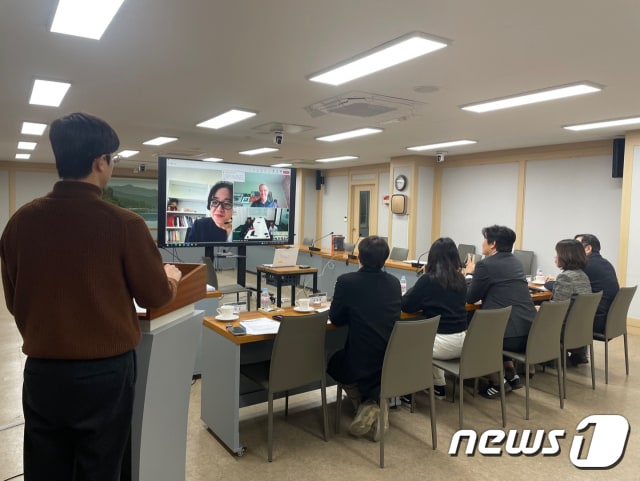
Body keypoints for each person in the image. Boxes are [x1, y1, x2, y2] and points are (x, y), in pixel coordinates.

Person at [0, 112, 182, 481]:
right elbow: (155, 295)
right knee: (101, 468)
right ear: (101, 161)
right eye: (113, 159)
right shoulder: (124, 224)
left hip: (42, 373)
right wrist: (171, 278)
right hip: (105, 375)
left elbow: (14, 301)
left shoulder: (20, 222)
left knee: (45, 468)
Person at [327, 235, 402, 442]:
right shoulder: (395, 283)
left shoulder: (347, 281)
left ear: (358, 256)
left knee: (333, 361)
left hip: (359, 361)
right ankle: (376, 404)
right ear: (385, 259)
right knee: (370, 367)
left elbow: (336, 317)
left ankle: (365, 406)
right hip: (390, 361)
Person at [465, 225, 537, 399]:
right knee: (496, 327)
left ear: (493, 244)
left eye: (484, 239)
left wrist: (468, 274)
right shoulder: (515, 262)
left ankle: (498, 383)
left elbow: (470, 297)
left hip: (509, 337)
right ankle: (511, 374)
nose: (482, 243)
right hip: (530, 332)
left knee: (473, 336)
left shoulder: (485, 265)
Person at [401, 238, 467, 400]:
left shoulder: (428, 280)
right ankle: (438, 386)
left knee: (405, 341)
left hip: (441, 344)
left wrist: (423, 277)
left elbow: (407, 306)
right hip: (464, 341)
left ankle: (407, 393)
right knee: (429, 335)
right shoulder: (461, 279)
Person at [574, 233, 620, 336]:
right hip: (610, 320)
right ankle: (578, 351)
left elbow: (567, 284)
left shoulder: (585, 264)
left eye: (576, 247)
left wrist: (548, 283)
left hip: (596, 320)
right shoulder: (606, 263)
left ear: (588, 248)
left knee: (557, 316)